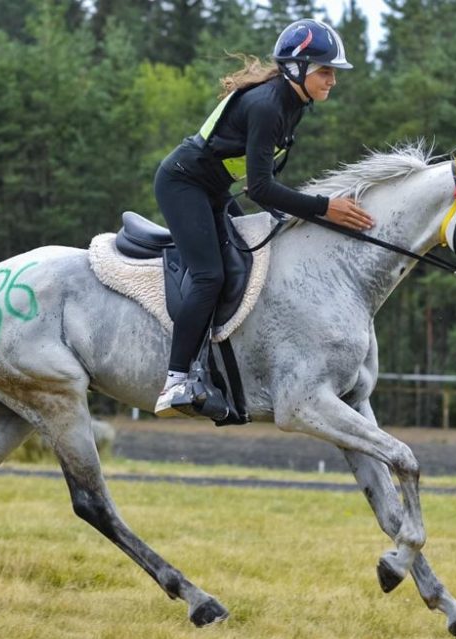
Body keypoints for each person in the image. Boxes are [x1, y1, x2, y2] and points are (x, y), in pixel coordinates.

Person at [154, 18, 374, 417]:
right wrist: (326, 208)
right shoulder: (268, 105)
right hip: (182, 185)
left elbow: (264, 181)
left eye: (333, 72)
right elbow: (260, 188)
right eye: (326, 70)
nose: (332, 80)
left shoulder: (294, 104)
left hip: (214, 191)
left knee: (248, 260)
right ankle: (177, 379)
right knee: (210, 275)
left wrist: (305, 217)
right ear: (297, 68)